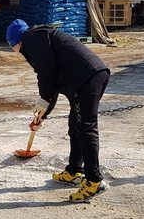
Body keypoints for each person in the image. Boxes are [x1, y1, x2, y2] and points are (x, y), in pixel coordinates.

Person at [6, 19, 110, 203]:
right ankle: (74, 171)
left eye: (12, 47)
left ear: (17, 42)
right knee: (75, 125)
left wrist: (43, 100)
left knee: (85, 127)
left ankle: (93, 180)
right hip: (88, 76)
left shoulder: (33, 39)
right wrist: (43, 114)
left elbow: (47, 73)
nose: (15, 51)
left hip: (86, 79)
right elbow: (51, 81)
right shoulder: (40, 38)